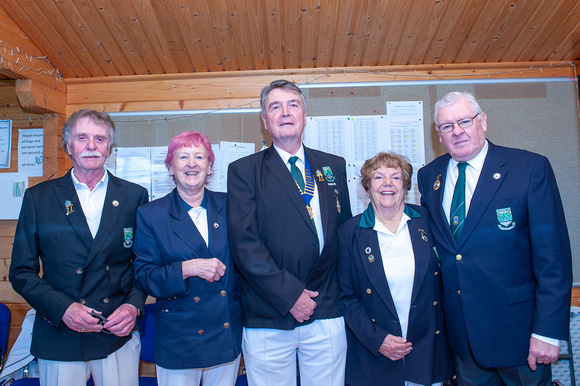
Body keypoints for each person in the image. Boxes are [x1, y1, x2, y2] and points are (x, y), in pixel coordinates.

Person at [417, 91, 572, 385]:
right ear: (438, 134)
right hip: (464, 343)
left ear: (483, 121)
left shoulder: (528, 168)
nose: (457, 131)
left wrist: (547, 332)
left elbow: (554, 259)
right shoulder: (429, 176)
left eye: (464, 121)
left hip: (521, 338)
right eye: (447, 126)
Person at [9, 109, 149, 386]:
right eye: (82, 137)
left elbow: (144, 263)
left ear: (109, 147)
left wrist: (133, 307)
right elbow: (20, 272)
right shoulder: (39, 198)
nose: (91, 146)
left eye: (100, 138)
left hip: (116, 331)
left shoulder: (135, 196)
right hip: (60, 332)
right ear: (68, 146)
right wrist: (63, 309)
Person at [227, 79, 352, 386]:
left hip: (325, 308)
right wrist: (290, 295)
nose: (285, 112)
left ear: (305, 115)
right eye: (275, 107)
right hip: (269, 313)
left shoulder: (332, 166)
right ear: (264, 119)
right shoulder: (244, 171)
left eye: (293, 105)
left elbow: (345, 233)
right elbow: (245, 245)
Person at [133, 131, 242, 386]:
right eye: (183, 157)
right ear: (171, 167)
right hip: (179, 338)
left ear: (210, 167)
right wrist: (187, 268)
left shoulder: (231, 206)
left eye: (199, 157)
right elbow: (144, 276)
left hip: (225, 332)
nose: (191, 163)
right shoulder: (151, 214)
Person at [337, 152, 453, 386]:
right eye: (379, 177)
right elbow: (346, 297)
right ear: (367, 187)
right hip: (374, 354)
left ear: (406, 186)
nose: (388, 183)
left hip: (426, 349)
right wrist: (377, 339)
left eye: (396, 177)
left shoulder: (427, 221)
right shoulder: (350, 231)